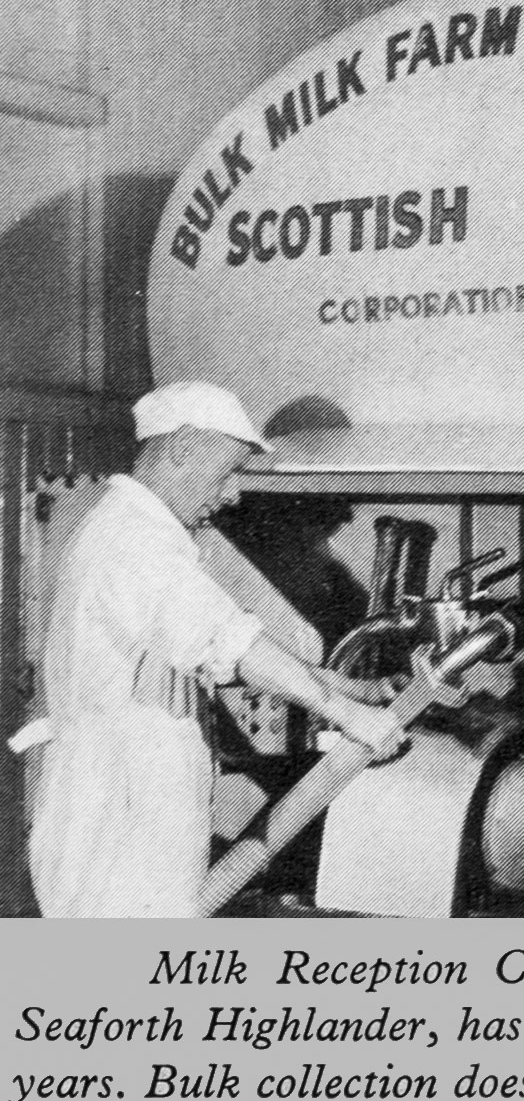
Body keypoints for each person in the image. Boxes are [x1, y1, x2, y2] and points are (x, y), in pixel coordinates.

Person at [9, 381, 405, 917]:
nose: (232, 495)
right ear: (180, 452)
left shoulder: (138, 530)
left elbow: (198, 652)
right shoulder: (135, 541)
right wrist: (348, 714)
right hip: (119, 807)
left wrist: (352, 687)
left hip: (129, 795)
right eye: (226, 474)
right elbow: (227, 639)